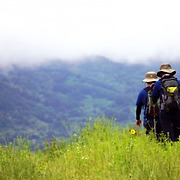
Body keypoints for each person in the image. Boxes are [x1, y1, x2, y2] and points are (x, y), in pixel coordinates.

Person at [152, 63, 180, 142]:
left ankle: (170, 146)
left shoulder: (158, 83)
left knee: (168, 133)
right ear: (171, 72)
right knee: (177, 131)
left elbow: (154, 98)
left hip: (165, 112)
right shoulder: (178, 81)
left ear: (161, 73)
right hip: (177, 111)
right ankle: (177, 147)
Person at [136, 71, 163, 136]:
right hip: (161, 119)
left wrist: (138, 118)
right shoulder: (161, 90)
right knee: (162, 140)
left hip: (148, 120)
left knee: (150, 139)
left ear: (146, 82)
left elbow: (139, 107)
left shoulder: (142, 92)